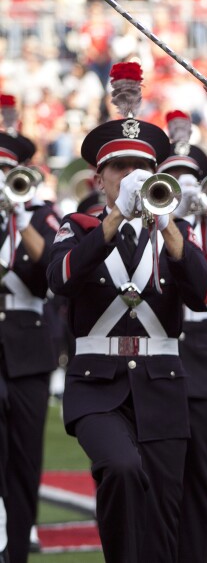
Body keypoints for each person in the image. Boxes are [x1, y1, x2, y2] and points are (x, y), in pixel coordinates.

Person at [46, 62, 207, 563]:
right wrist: (116, 217)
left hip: (161, 384)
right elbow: (60, 280)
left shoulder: (170, 233)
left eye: (140, 169)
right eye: (118, 168)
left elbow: (203, 296)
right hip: (95, 385)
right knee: (119, 468)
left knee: (165, 516)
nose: (129, 176)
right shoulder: (77, 227)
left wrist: (169, 227)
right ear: (99, 178)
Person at [157, 110, 207, 562]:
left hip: (201, 355)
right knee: (158, 480)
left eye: (190, 178)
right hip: (156, 353)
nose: (183, 187)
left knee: (200, 482)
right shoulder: (149, 222)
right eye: (173, 178)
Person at [0, 95, 61, 563]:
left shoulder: (40, 217)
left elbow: (50, 277)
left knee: (24, 457)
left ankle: (18, 545)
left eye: (8, 172)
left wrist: (19, 216)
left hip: (27, 349)